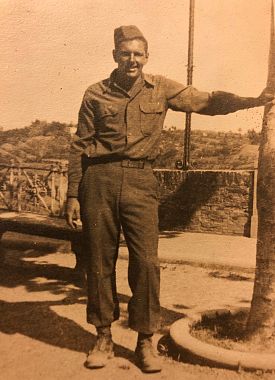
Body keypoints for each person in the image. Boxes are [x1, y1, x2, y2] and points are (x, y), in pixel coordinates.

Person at [65, 25, 273, 373]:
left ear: (146, 57)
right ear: (114, 54)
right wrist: (73, 193)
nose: (132, 60)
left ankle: (145, 340)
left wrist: (253, 99)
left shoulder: (161, 88)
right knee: (99, 261)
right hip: (98, 180)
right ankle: (102, 336)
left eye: (138, 54)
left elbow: (206, 101)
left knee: (146, 262)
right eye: (125, 53)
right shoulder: (95, 93)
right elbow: (79, 145)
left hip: (140, 181)